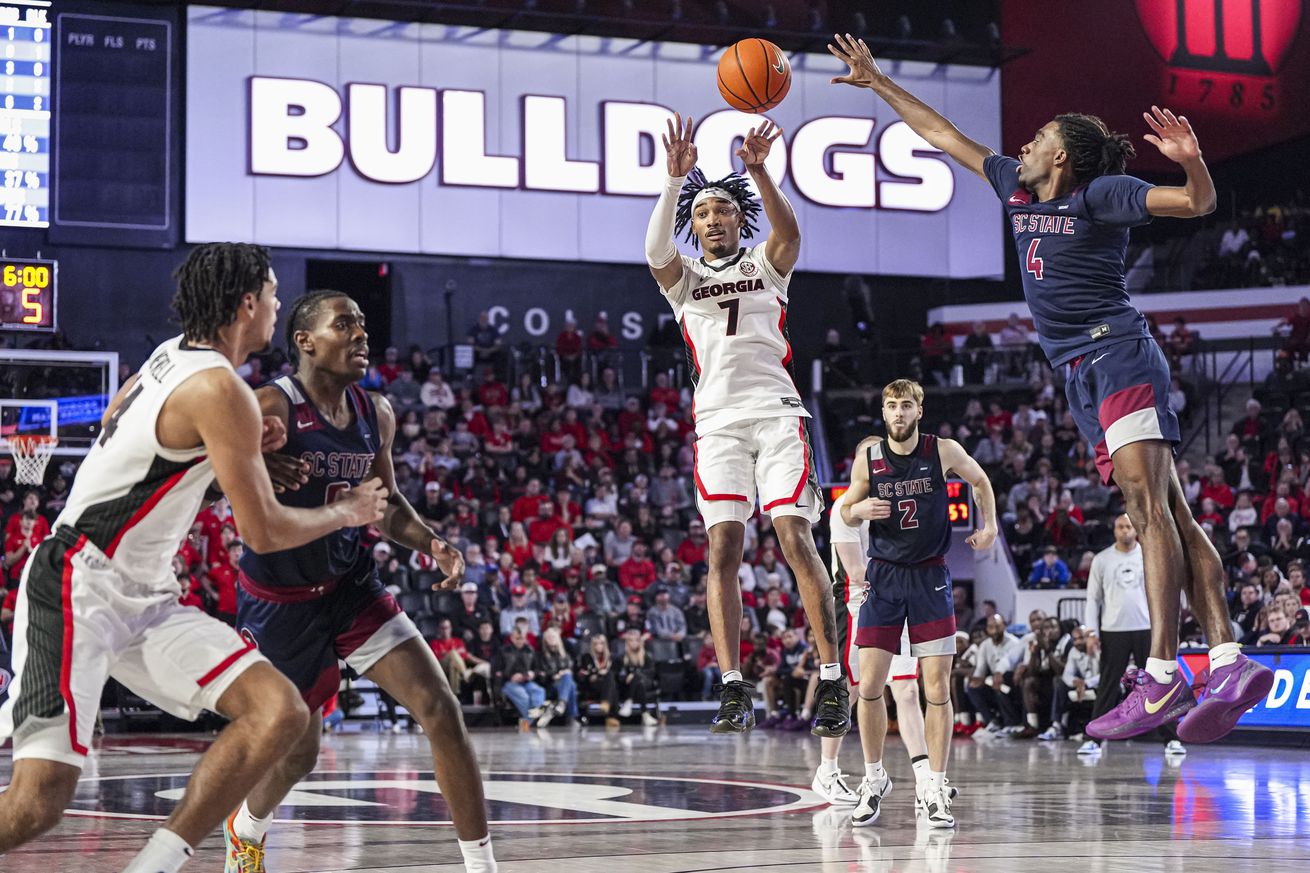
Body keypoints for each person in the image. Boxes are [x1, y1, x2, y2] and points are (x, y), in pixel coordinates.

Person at [827, 32, 1271, 744]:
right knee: (1174, 516)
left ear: (1061, 154)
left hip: (1117, 354)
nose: (1024, 144)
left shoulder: (1101, 194)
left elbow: (1194, 204)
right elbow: (942, 132)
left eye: (1038, 138)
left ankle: (1162, 672)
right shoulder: (1013, 184)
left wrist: (1194, 167)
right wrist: (878, 83)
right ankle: (1227, 657)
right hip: (1082, 373)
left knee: (1147, 512)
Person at [0, 243, 389, 873]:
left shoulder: (170, 358)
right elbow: (262, 533)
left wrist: (229, 450)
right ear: (246, 304)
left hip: (146, 596)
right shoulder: (220, 387)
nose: (276, 305)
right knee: (37, 805)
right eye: (270, 293)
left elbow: (143, 455)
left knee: (278, 711)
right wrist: (348, 512)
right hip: (77, 585)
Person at [228, 290, 495, 873]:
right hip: (280, 602)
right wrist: (249, 463)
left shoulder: (377, 412)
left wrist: (432, 543)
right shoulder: (267, 405)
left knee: (440, 706)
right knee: (298, 755)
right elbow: (202, 473)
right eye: (343, 324)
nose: (360, 335)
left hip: (351, 586)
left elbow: (388, 503)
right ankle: (246, 829)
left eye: (364, 325)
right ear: (305, 341)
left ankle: (483, 867)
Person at [646, 113, 848, 737]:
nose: (710, 221)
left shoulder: (769, 263)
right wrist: (674, 184)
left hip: (777, 413)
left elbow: (790, 231)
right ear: (694, 223)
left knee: (793, 538)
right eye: (701, 213)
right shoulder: (685, 283)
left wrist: (758, 171)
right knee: (723, 550)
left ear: (737, 217)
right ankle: (734, 687)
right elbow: (655, 252)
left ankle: (832, 677)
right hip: (718, 425)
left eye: (720, 211)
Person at [837, 379, 998, 828]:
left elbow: (981, 480)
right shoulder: (868, 457)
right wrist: (859, 511)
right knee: (869, 685)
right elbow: (846, 508)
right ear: (883, 413)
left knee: (937, 689)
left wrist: (990, 528)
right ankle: (873, 779)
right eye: (891, 406)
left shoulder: (941, 450)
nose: (898, 413)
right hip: (884, 576)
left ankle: (934, 785)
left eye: (906, 405)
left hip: (930, 575)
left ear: (919, 410)